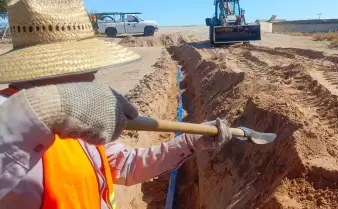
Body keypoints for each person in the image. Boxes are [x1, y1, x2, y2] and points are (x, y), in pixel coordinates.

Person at [0, 1, 233, 209]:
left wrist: (190, 142)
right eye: (86, 64)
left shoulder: (78, 116)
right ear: (52, 65)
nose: (94, 72)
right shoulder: (11, 119)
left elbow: (124, 165)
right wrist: (49, 106)